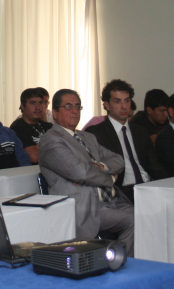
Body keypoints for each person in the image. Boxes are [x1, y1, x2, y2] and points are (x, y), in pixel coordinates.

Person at [38, 89, 134, 254]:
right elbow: (82, 173)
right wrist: (110, 178)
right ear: (54, 113)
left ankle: (132, 262)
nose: (74, 111)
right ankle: (120, 263)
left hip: (112, 200)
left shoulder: (88, 137)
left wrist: (100, 166)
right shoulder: (51, 140)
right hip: (86, 207)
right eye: (68, 106)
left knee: (150, 216)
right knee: (134, 220)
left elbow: (118, 159)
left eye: (78, 106)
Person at [85, 79, 166, 203]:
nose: (124, 106)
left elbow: (155, 167)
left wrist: (170, 186)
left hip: (148, 187)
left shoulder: (140, 131)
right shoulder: (95, 133)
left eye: (127, 100)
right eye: (117, 101)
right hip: (121, 192)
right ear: (107, 105)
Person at [10, 88, 53, 164]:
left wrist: (39, 147)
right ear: (22, 106)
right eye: (32, 103)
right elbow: (34, 157)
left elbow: (65, 150)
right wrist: (52, 146)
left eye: (40, 103)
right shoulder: (18, 128)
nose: (38, 107)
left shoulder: (49, 126)